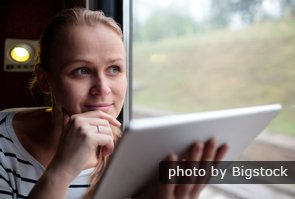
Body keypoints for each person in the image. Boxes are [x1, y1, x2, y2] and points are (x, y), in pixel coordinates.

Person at [0, 8, 227, 199]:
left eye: (114, 69)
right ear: (45, 80)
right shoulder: (3, 144)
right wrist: (62, 170)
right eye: (81, 71)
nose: (103, 88)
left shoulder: (139, 158)